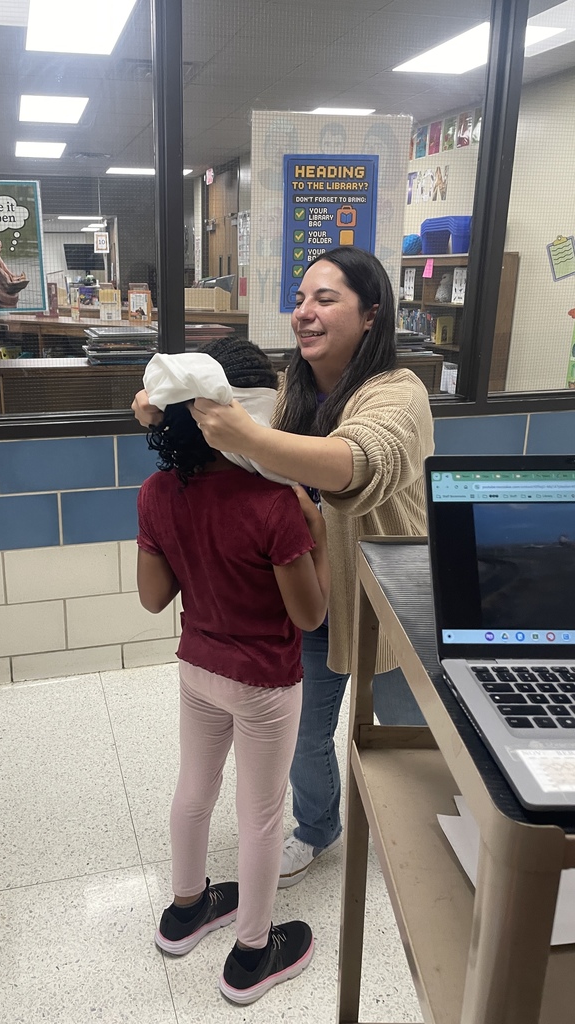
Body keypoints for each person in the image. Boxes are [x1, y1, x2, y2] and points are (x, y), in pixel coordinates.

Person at [132, 247, 434, 889]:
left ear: (371, 314)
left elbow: (354, 463)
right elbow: (223, 396)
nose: (305, 313)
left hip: (393, 598)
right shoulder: (292, 384)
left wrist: (246, 436)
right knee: (304, 735)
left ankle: (430, 829)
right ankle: (318, 827)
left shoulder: (398, 394)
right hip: (318, 587)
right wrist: (162, 396)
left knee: (411, 733)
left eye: (326, 299)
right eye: (300, 300)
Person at [136, 338, 330, 1005]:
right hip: (266, 683)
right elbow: (308, 616)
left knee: (194, 787)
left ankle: (185, 910)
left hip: (198, 667)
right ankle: (252, 954)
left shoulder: (158, 491)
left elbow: (153, 597)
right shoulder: (275, 503)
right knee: (262, 814)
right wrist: (318, 538)